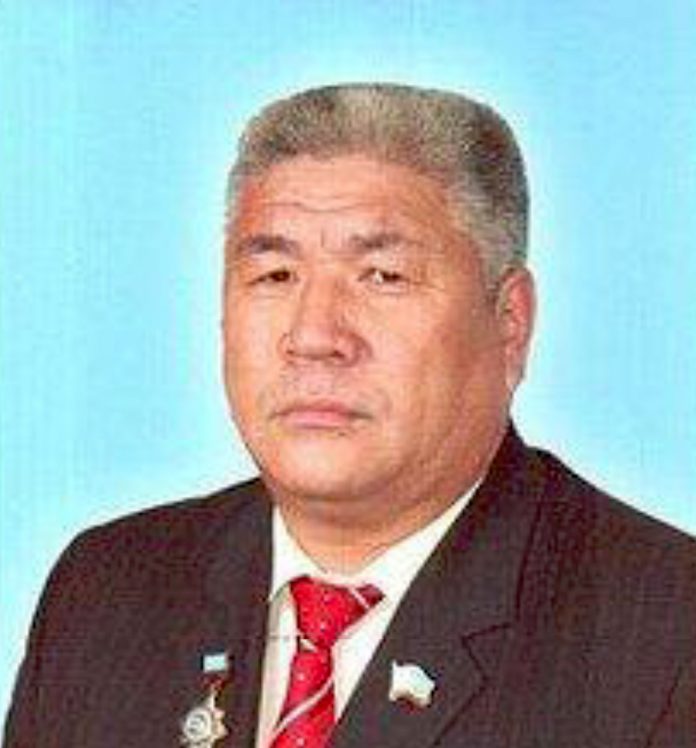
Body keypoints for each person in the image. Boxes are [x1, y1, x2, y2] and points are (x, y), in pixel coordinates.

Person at [4, 83, 695, 748]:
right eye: (275, 276)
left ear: (509, 324)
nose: (314, 336)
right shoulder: (107, 590)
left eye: (383, 277)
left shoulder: (665, 635)